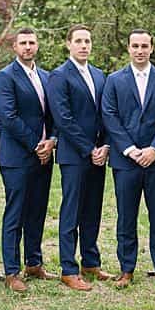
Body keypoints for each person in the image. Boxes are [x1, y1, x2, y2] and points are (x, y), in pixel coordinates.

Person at [102, 29, 155, 288]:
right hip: (126, 161)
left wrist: (154, 149)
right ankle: (126, 269)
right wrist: (129, 149)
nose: (139, 50)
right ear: (128, 48)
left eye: (144, 45)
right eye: (135, 45)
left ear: (151, 48)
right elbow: (110, 116)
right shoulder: (114, 80)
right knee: (126, 217)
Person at [0, 27, 56, 293]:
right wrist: (35, 144)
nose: (28, 47)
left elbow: (54, 114)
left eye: (32, 43)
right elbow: (8, 117)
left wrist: (52, 140)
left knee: (38, 210)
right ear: (15, 47)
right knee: (15, 212)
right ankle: (11, 270)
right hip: (17, 156)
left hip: (44, 156)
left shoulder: (46, 76)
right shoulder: (5, 77)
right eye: (23, 43)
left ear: (37, 46)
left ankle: (34, 262)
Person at [47, 25, 110, 291]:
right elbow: (63, 118)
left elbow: (106, 113)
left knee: (93, 208)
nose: (84, 45)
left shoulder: (98, 74)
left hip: (98, 154)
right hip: (74, 154)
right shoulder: (59, 76)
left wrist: (105, 145)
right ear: (69, 44)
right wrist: (88, 148)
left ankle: (90, 261)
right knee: (71, 210)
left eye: (87, 41)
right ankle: (68, 268)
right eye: (79, 41)